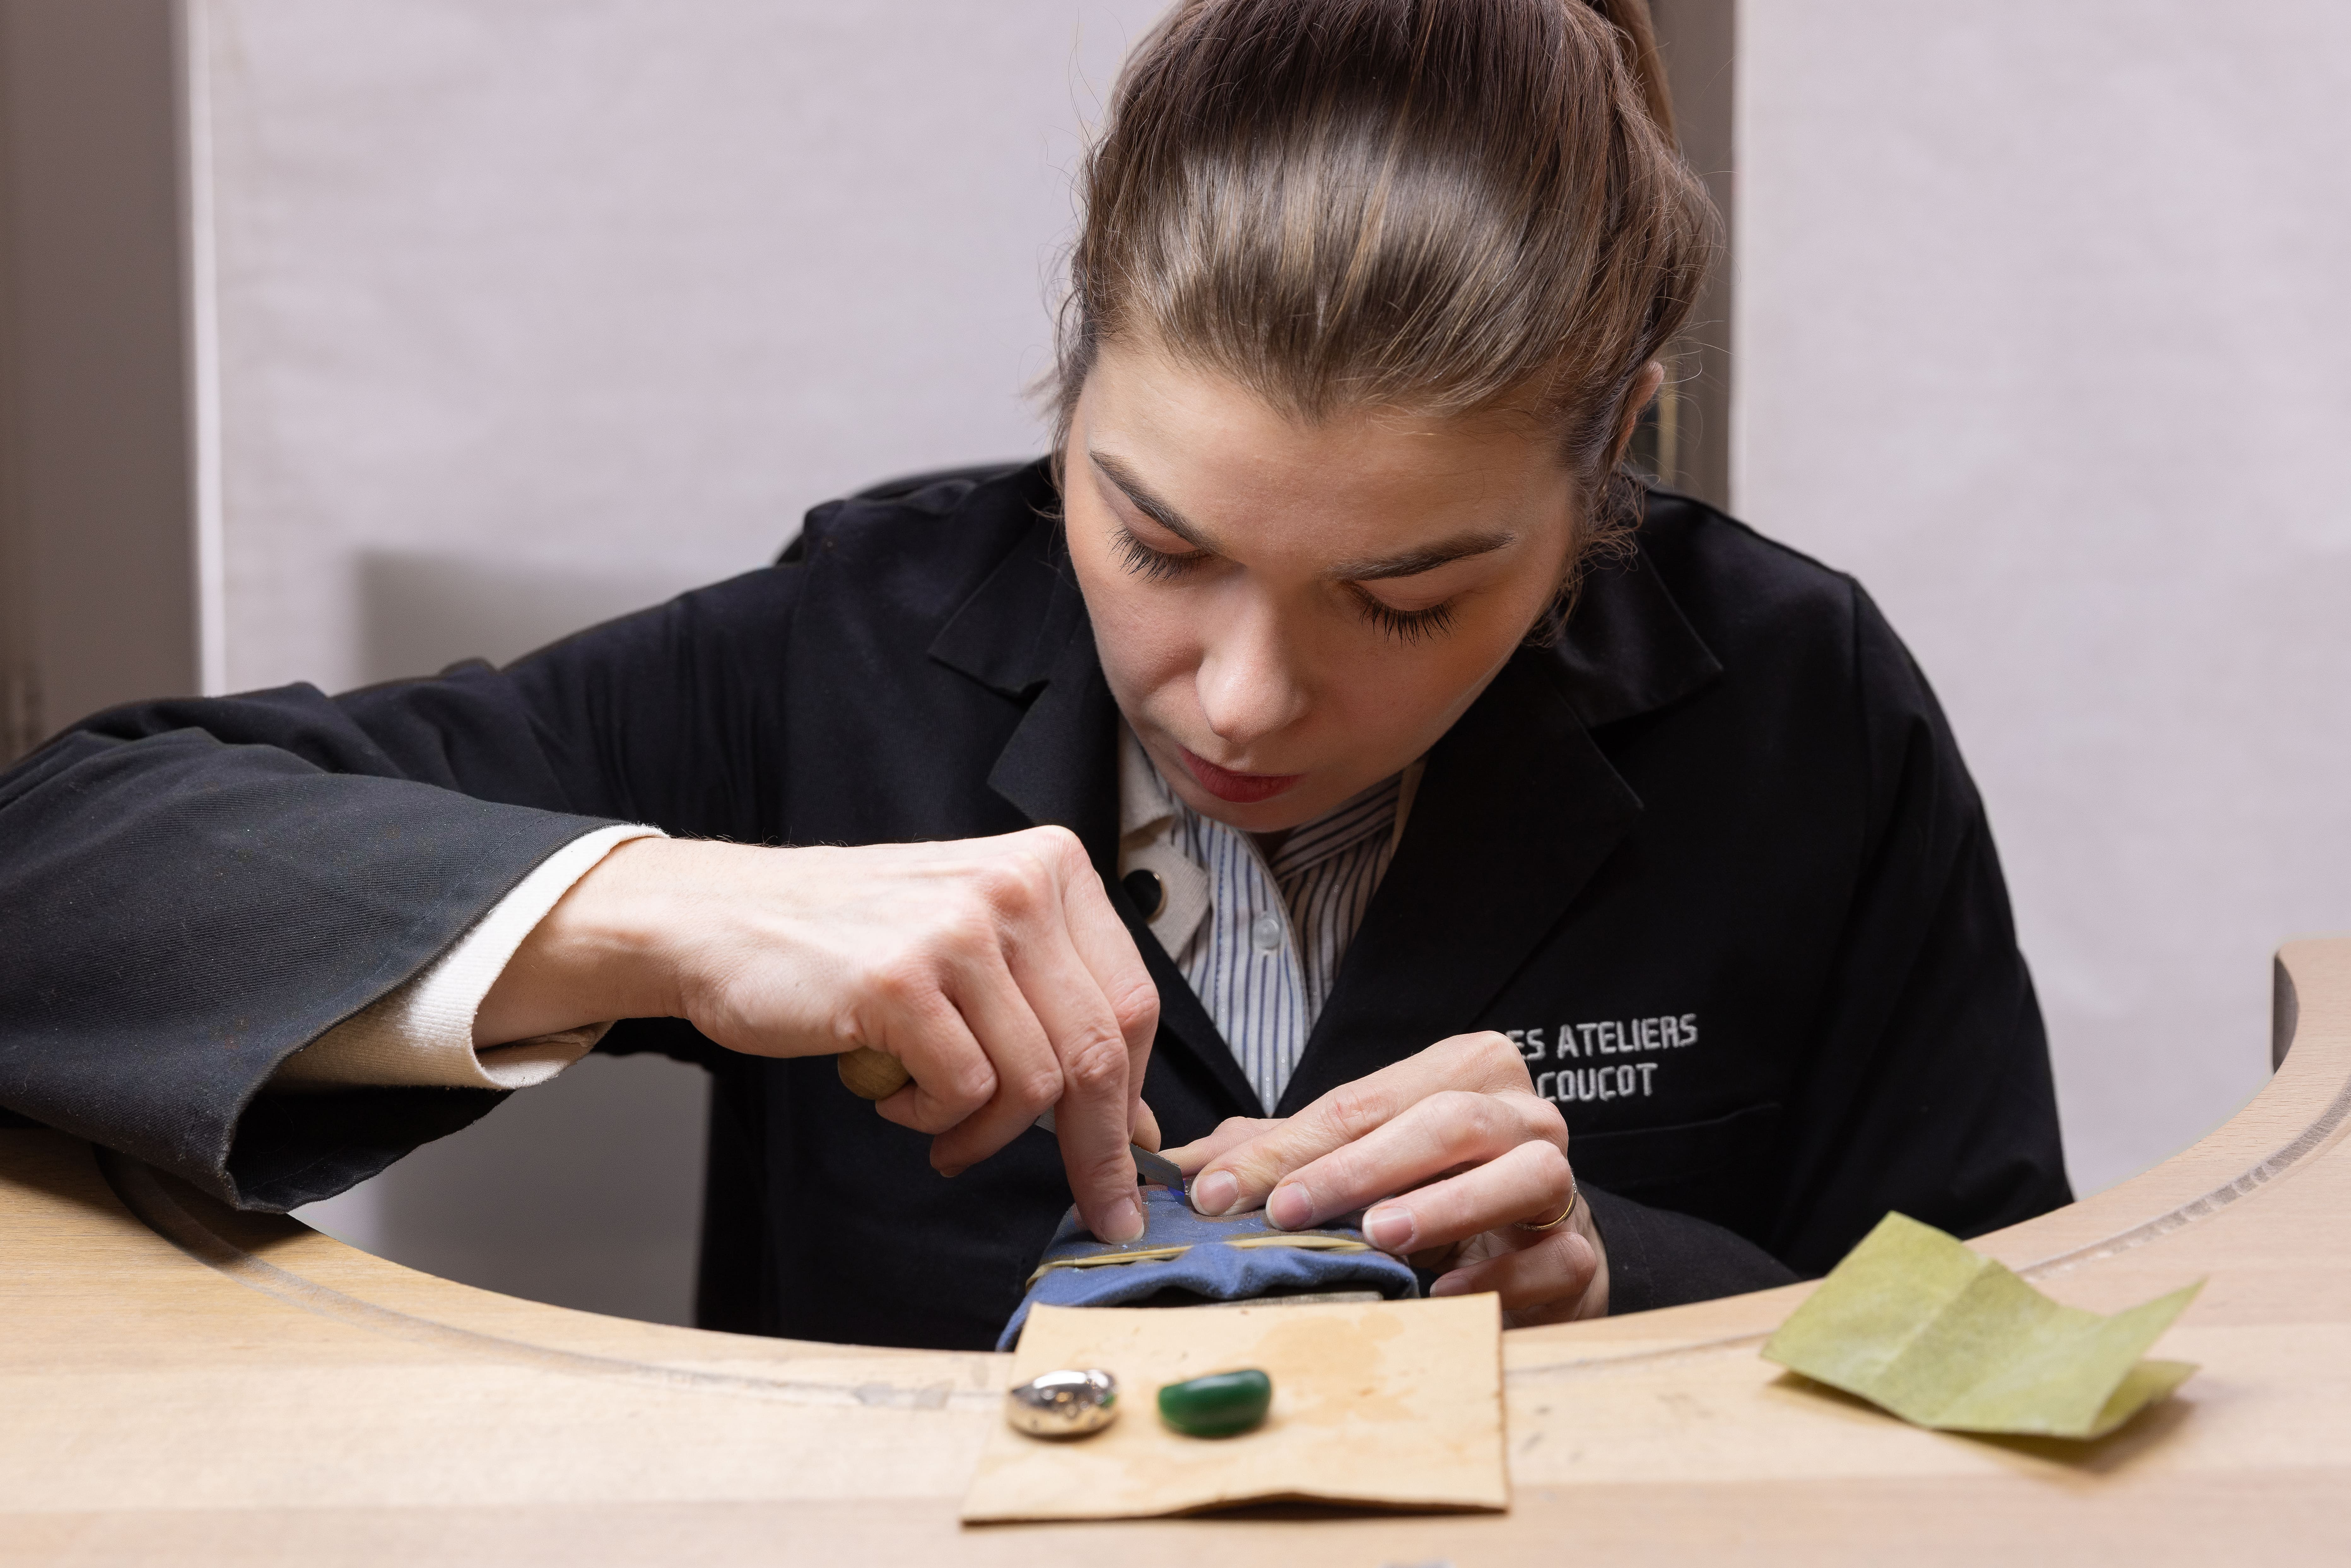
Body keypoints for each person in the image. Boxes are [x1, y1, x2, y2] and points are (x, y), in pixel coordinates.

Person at [0, 0, 2068, 1351]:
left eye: (1411, 599)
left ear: (1613, 451)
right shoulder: (851, 653)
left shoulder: (1804, 701)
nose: (1242, 701)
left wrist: (1633, 1281)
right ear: (1073, 375)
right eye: (1159, 544)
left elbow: (1998, 1343)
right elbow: (56, 878)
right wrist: (674, 906)